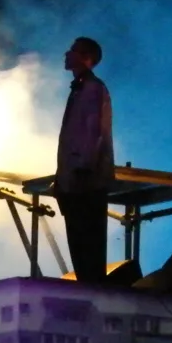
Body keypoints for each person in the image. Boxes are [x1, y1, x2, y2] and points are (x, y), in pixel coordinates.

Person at [55, 36, 115, 285]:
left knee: (87, 245)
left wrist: (81, 171)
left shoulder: (91, 89)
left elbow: (92, 133)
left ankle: (92, 291)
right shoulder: (82, 88)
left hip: (85, 182)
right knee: (80, 246)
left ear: (86, 58)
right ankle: (88, 287)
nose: (67, 54)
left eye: (73, 50)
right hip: (77, 180)